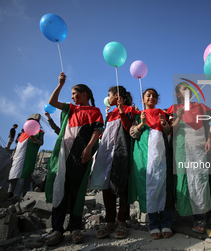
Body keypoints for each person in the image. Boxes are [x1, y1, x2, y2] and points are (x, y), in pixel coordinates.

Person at [44, 72, 103, 246]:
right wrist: (60, 84)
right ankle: (57, 229)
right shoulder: (70, 108)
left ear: (85, 94)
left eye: (75, 94)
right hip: (64, 155)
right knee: (60, 188)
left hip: (81, 155)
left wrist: (89, 148)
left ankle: (76, 228)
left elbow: (97, 130)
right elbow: (53, 102)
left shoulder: (94, 111)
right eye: (71, 95)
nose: (72, 97)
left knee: (77, 190)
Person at [167, 82, 211, 234]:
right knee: (191, 182)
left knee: (207, 180)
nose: (188, 90)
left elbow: (207, 125)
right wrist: (178, 118)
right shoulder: (173, 109)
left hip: (201, 148)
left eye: (189, 89)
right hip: (184, 150)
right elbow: (170, 129)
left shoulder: (200, 106)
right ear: (178, 94)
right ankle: (198, 217)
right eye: (184, 89)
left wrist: (209, 140)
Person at [90, 86, 138, 239]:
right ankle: (110, 222)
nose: (107, 97)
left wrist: (122, 110)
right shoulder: (109, 113)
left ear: (116, 95)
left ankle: (122, 221)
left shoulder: (130, 109)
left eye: (108, 94)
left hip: (121, 151)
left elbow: (129, 128)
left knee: (121, 185)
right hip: (106, 152)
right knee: (106, 186)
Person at [129, 88, 174, 240]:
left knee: (164, 187)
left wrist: (164, 123)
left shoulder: (162, 112)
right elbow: (133, 133)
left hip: (162, 156)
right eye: (148, 95)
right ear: (143, 99)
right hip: (145, 157)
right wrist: (142, 123)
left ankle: (166, 222)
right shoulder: (137, 114)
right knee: (149, 188)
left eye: (154, 96)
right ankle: (154, 224)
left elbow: (168, 132)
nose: (151, 98)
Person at [8, 115, 43, 197]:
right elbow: (18, 145)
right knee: (14, 173)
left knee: (27, 174)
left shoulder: (40, 132)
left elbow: (41, 142)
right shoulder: (23, 133)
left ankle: (25, 193)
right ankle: (10, 192)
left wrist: (35, 140)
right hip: (18, 156)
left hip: (29, 157)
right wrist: (13, 154)